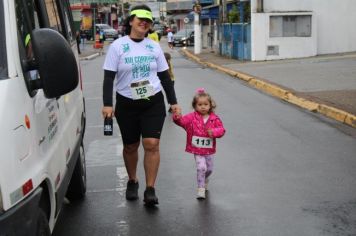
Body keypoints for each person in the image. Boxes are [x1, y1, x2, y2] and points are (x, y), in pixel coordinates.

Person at [102, 4, 181, 206]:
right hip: (126, 103)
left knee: (151, 144)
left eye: (148, 20)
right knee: (131, 146)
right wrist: (108, 104)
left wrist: (173, 102)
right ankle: (132, 180)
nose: (144, 23)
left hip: (152, 101)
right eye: (140, 19)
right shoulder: (118, 46)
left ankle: (150, 189)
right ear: (131, 21)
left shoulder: (154, 46)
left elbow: (164, 77)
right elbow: (109, 77)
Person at [173, 88, 225, 199]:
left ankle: (205, 179)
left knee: (209, 169)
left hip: (209, 150)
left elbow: (222, 130)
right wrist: (177, 116)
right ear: (195, 106)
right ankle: (201, 188)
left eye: (205, 104)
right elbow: (181, 122)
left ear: (210, 105)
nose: (203, 107)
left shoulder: (214, 118)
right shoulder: (192, 117)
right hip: (197, 149)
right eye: (200, 104)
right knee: (201, 167)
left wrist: (214, 132)